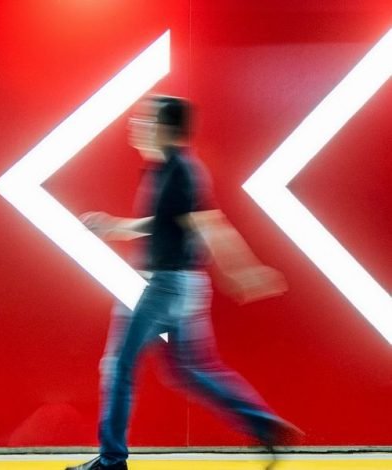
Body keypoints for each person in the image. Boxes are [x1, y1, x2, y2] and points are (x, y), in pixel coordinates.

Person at [67, 96, 299, 470]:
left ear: (166, 129)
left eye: (147, 120)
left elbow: (207, 223)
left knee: (118, 365)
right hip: (178, 286)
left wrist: (243, 269)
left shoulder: (181, 171)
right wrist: (115, 226)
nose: (137, 125)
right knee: (189, 370)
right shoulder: (165, 169)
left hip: (164, 287)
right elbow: (163, 222)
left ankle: (111, 461)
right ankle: (262, 424)